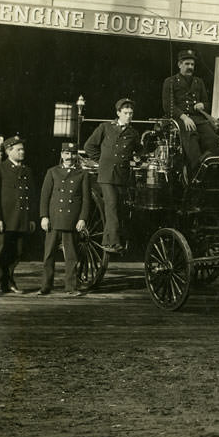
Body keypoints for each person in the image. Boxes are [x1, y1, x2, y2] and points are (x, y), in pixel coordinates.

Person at [84, 98, 141, 254]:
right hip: (107, 176)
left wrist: (137, 157)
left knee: (120, 209)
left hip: (122, 176)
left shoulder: (133, 133)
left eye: (131, 113)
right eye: (125, 113)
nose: (129, 116)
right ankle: (113, 243)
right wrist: (102, 161)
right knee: (112, 206)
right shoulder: (105, 127)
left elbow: (139, 150)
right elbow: (89, 146)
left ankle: (110, 241)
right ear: (118, 113)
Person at [37, 142, 90, 296]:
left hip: (71, 220)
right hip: (53, 220)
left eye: (73, 154)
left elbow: (86, 200)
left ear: (76, 156)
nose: (70, 157)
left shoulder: (82, 174)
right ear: (61, 155)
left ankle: (71, 287)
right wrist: (44, 216)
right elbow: (44, 197)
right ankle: (45, 286)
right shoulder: (52, 172)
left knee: (72, 256)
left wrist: (82, 219)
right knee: (48, 255)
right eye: (66, 153)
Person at [0, 136, 35, 296]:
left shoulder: (27, 171)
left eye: (23, 149)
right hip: (3, 221)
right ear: (8, 151)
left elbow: (31, 196)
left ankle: (8, 282)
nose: (23, 152)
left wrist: (31, 219)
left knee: (16, 253)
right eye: (18, 149)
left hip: (21, 220)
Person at [162, 48, 219, 174]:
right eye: (187, 64)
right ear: (179, 64)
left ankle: (209, 167)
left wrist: (202, 105)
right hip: (179, 119)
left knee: (213, 138)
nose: (190, 67)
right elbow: (168, 106)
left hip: (198, 119)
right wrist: (184, 117)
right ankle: (196, 172)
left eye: (192, 64)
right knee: (191, 138)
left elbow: (207, 104)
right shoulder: (170, 82)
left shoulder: (199, 82)